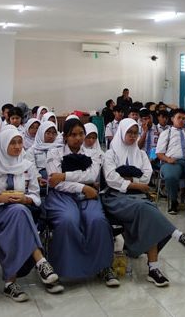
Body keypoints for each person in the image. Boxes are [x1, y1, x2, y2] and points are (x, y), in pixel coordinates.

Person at [101, 118, 185, 287]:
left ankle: (154, 268)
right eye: (129, 133)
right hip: (115, 198)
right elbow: (111, 179)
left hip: (137, 196)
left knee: (148, 212)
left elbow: (147, 176)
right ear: (122, 133)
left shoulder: (141, 154)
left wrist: (128, 178)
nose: (133, 136)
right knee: (148, 208)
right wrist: (137, 183)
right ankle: (176, 237)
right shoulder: (110, 154)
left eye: (135, 133)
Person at [0, 128, 62, 301]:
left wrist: (25, 199)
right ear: (3, 145)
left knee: (19, 213)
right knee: (20, 213)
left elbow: (36, 196)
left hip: (21, 211)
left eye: (19, 142)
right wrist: (0, 198)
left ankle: (10, 283)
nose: (18, 147)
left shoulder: (27, 166)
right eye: (12, 143)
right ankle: (41, 261)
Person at [46, 120, 117, 286]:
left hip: (88, 195)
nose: (78, 138)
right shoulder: (54, 153)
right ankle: (62, 269)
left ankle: (104, 266)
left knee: (97, 220)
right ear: (65, 137)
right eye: (73, 135)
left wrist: (64, 175)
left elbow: (91, 176)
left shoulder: (93, 154)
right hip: (63, 196)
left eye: (81, 134)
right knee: (68, 220)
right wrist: (82, 187)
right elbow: (56, 183)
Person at [156, 109, 185, 214]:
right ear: (172, 119)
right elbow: (159, 153)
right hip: (172, 161)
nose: (182, 120)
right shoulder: (166, 133)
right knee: (171, 176)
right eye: (179, 117)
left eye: (184, 118)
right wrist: (168, 159)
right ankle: (173, 201)